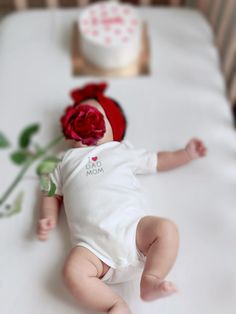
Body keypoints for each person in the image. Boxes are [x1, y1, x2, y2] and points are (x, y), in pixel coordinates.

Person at [37, 82, 207, 314]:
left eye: (97, 118)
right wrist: (48, 216)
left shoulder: (120, 151)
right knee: (71, 272)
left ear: (113, 130)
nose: (88, 123)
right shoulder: (63, 160)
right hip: (93, 251)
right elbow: (50, 189)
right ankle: (115, 304)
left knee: (166, 229)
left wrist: (185, 154)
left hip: (135, 233)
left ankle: (151, 278)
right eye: (81, 118)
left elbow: (157, 160)